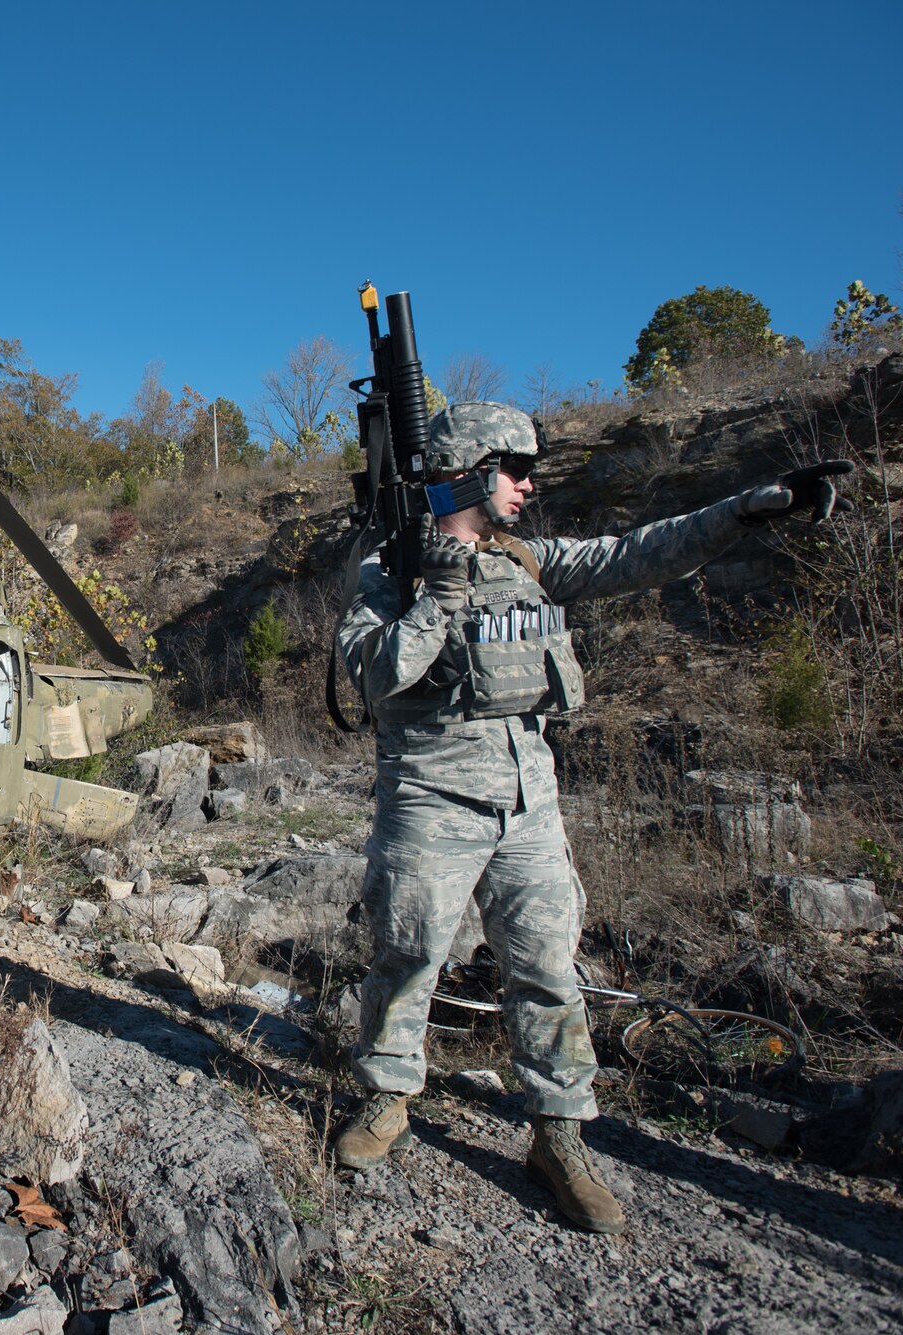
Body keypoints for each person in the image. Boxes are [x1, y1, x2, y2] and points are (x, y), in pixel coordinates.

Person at [331, 401, 849, 1233]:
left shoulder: (531, 560)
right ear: (467, 470)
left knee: (547, 968)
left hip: (530, 801)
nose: (530, 485)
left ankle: (559, 1133)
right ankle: (387, 1097)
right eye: (515, 469)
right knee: (407, 954)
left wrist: (748, 508)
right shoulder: (389, 569)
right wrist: (437, 593)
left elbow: (639, 553)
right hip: (430, 795)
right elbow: (373, 679)